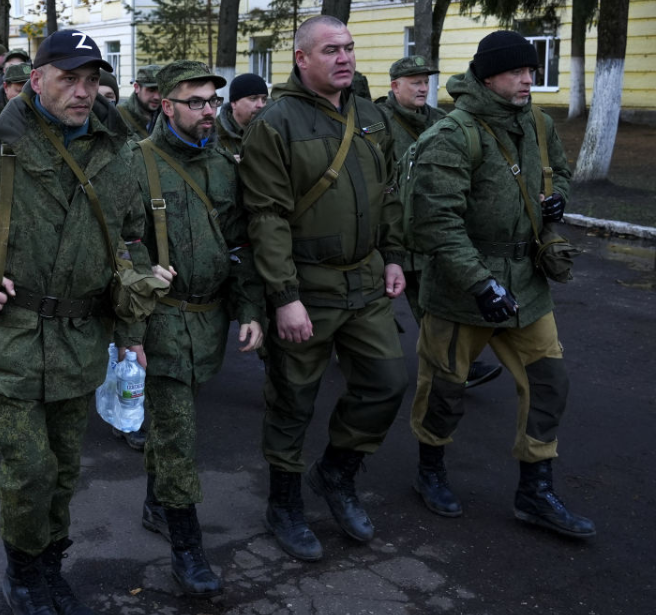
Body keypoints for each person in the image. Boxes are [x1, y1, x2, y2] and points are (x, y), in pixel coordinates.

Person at [0, 29, 164, 615]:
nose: (82, 91)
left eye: (91, 79)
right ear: (36, 77)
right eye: (69, 78)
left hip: (80, 337)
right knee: (28, 469)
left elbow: (129, 240)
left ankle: (50, 564)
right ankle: (22, 572)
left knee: (65, 467)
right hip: (11, 337)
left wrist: (132, 331)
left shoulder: (115, 145)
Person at [407, 31, 595, 539]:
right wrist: (479, 284)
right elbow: (436, 223)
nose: (529, 80)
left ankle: (535, 492)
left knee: (549, 384)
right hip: (460, 289)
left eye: (532, 71)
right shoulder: (452, 135)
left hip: (528, 286)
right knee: (445, 388)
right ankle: (430, 472)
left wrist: (558, 198)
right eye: (518, 72)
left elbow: (561, 171)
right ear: (488, 76)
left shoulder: (537, 122)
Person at [239, 15, 408, 560]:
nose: (344, 58)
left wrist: (393, 257)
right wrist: (284, 297)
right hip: (306, 287)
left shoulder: (372, 116)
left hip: (365, 279)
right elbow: (265, 216)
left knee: (387, 380)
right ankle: (283, 504)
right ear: (301, 58)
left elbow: (390, 194)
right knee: (292, 400)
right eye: (331, 49)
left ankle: (336, 473)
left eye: (350, 49)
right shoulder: (275, 123)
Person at [131, 60, 264, 598]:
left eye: (213, 101)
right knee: (178, 434)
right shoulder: (134, 164)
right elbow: (115, 242)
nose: (209, 111)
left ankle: (154, 501)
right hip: (161, 323)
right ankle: (188, 550)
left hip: (209, 322)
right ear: (166, 105)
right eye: (196, 102)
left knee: (170, 427)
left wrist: (250, 308)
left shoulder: (223, 166)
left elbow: (241, 243)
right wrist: (131, 320)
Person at [379, 56, 504, 390]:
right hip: (388, 233)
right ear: (395, 86)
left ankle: (454, 366)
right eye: (415, 82)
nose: (423, 88)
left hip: (427, 232)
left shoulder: (440, 119)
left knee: (432, 307)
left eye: (425, 82)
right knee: (373, 304)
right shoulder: (379, 122)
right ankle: (358, 357)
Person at [215, 72, 268, 159]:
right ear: (234, 103)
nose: (261, 105)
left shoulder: (270, 131)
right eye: (253, 98)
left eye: (264, 99)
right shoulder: (212, 135)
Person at [117, 65, 161, 139]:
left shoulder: (168, 116)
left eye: (160, 91)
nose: (157, 97)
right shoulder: (120, 115)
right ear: (137, 87)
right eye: (151, 90)